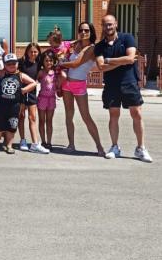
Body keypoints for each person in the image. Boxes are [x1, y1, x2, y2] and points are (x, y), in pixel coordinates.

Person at [94, 15, 152, 162]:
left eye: (110, 24)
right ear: (102, 26)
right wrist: (123, 61)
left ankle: (141, 148)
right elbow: (101, 67)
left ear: (116, 24)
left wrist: (109, 61)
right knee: (114, 115)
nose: (108, 27)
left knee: (137, 114)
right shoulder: (99, 46)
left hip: (129, 82)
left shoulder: (127, 38)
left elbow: (131, 57)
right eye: (105, 25)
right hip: (111, 84)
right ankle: (114, 147)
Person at [58, 22, 105, 156]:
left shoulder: (91, 48)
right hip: (67, 84)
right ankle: (71, 144)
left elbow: (75, 64)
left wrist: (60, 64)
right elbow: (64, 49)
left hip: (79, 85)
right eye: (81, 30)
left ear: (91, 32)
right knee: (68, 115)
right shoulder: (76, 45)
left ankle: (99, 147)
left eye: (86, 30)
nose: (83, 32)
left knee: (86, 117)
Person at [0, 53, 37, 154]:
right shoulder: (2, 73)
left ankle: (9, 145)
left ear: (17, 64)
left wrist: (24, 90)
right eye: (8, 64)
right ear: (4, 65)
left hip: (15, 106)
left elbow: (34, 83)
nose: (11, 65)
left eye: (13, 63)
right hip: (1, 105)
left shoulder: (20, 75)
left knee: (12, 126)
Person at [17, 43, 42, 152]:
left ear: (38, 52)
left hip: (32, 93)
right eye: (31, 51)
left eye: (35, 52)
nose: (33, 54)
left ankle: (35, 143)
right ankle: (22, 140)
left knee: (32, 118)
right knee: (21, 116)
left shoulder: (39, 63)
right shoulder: (21, 62)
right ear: (27, 52)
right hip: (21, 93)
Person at [36, 51, 58, 153]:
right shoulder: (41, 72)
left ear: (53, 61)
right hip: (42, 99)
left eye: (50, 60)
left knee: (49, 121)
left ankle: (49, 142)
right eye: (46, 61)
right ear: (43, 62)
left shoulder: (56, 72)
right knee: (42, 120)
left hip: (52, 99)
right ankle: (43, 141)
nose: (48, 62)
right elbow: (34, 82)